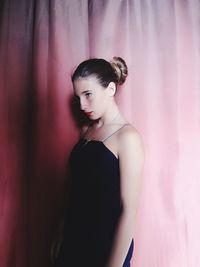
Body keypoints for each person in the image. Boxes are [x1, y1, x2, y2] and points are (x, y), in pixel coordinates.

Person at [52, 57, 144, 267]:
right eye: (79, 97)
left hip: (105, 246)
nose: (83, 105)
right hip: (74, 241)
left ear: (110, 89)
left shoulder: (127, 137)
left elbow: (129, 212)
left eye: (88, 95)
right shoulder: (86, 131)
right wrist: (60, 232)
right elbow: (74, 190)